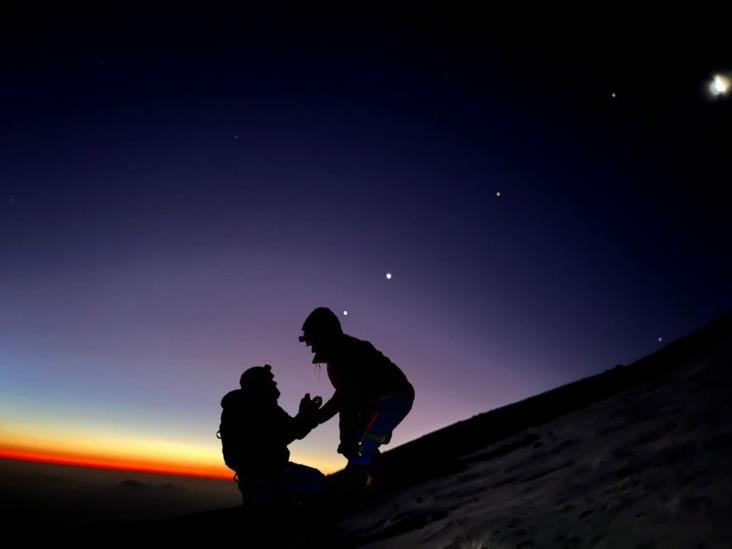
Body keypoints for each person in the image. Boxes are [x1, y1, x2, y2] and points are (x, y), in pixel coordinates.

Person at [298, 307, 415, 499]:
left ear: (324, 334)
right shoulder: (338, 355)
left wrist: (347, 438)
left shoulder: (345, 353)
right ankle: (383, 484)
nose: (310, 346)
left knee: (359, 451)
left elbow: (348, 399)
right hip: (380, 402)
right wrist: (318, 418)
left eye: (311, 339)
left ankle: (353, 499)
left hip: (393, 400)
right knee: (363, 445)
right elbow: (342, 396)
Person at [218, 364, 325, 507]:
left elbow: (288, 432)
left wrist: (304, 415)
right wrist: (306, 414)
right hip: (268, 476)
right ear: (259, 384)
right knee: (317, 482)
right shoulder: (259, 405)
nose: (275, 383)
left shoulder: (245, 404)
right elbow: (292, 431)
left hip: (253, 477)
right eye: (270, 380)